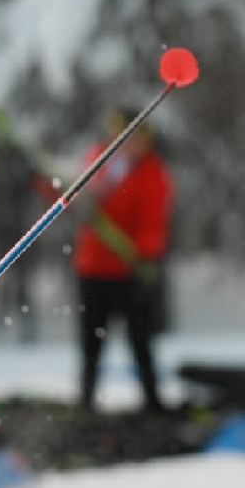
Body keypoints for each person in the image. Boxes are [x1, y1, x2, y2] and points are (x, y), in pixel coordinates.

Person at [72, 107, 174, 413]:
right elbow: (76, 198)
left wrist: (143, 254)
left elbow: (154, 222)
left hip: (132, 271)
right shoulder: (98, 160)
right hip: (93, 269)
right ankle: (87, 401)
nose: (130, 144)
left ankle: (152, 401)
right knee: (91, 342)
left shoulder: (153, 172)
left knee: (140, 341)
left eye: (136, 137)